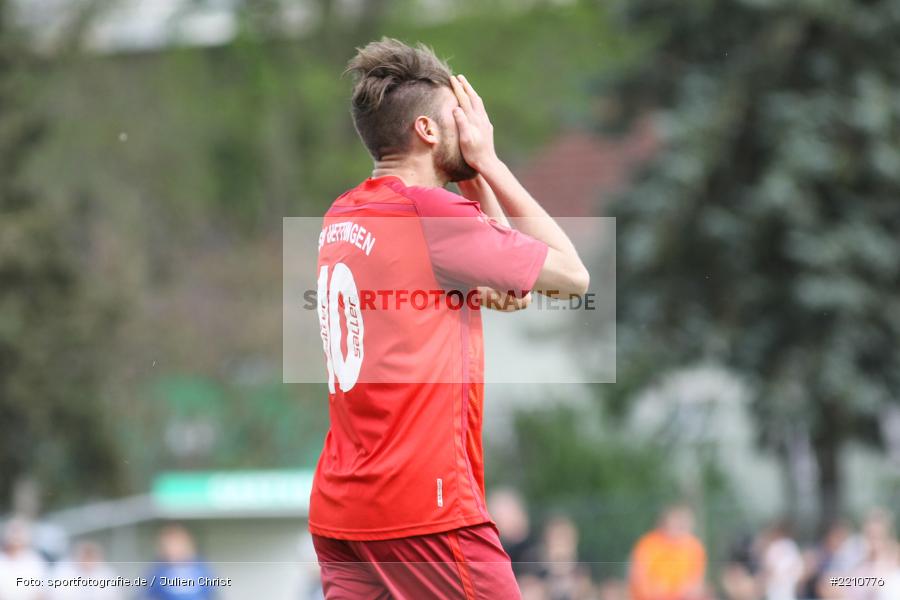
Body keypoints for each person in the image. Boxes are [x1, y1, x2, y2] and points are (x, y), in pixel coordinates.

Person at [309, 38, 589, 599]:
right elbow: (573, 275)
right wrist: (489, 161)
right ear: (428, 131)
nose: (473, 127)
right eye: (461, 117)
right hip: (424, 507)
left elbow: (467, 273)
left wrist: (487, 277)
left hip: (344, 510)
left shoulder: (346, 211)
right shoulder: (431, 212)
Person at [628, 505, 707, 600]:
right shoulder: (647, 545)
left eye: (685, 524)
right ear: (664, 523)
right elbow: (640, 583)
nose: (682, 528)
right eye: (678, 523)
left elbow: (696, 585)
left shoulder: (695, 548)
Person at [145, 525, 215, 600]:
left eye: (178, 544)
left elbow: (210, 593)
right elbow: (146, 594)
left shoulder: (201, 569)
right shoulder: (157, 571)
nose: (175, 550)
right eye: (170, 546)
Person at [50, 541, 122, 600]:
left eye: (91, 557)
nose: (87, 562)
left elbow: (114, 596)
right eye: (85, 556)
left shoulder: (106, 574)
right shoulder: (63, 571)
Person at [0, 518, 48, 600]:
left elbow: (41, 592)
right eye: (13, 532)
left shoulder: (35, 560)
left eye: (19, 533)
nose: (15, 537)